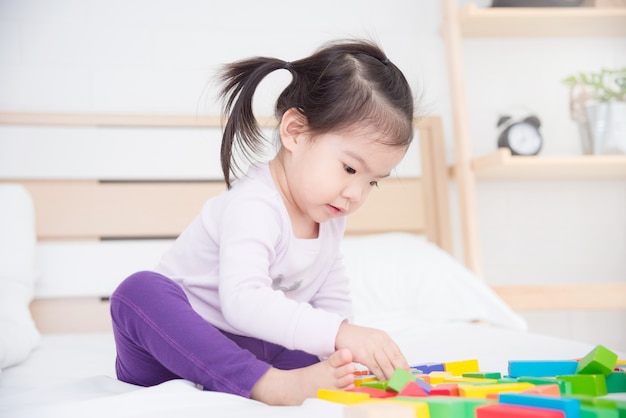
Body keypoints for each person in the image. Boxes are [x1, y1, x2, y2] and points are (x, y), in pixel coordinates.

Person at [110, 39, 417, 406]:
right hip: (174, 346)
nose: (355, 193)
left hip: (254, 349)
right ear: (295, 132)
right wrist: (341, 334)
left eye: (372, 181)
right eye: (349, 168)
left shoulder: (329, 213)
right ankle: (267, 385)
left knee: (313, 355)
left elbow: (331, 299)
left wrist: (344, 355)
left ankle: (271, 379)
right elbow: (243, 300)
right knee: (139, 292)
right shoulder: (254, 204)